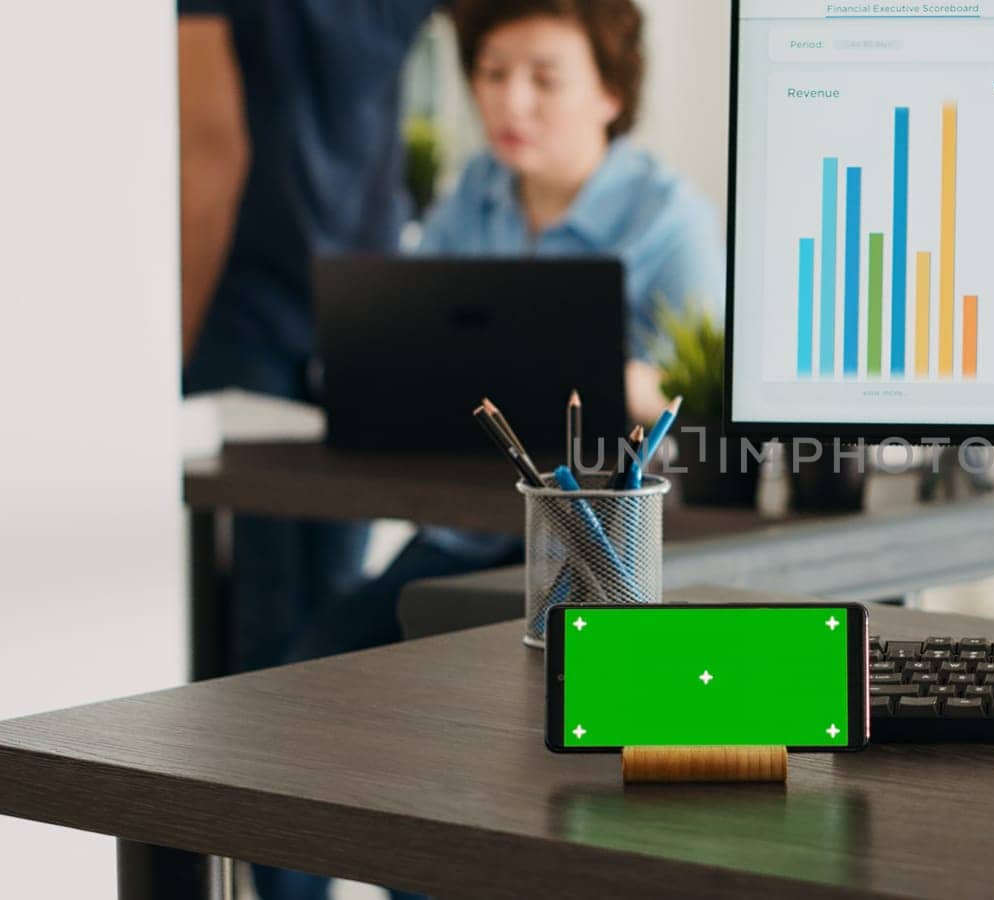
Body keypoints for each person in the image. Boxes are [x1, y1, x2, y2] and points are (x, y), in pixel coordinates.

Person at [286, 0, 723, 660]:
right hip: (469, 528)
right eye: (492, 73)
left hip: (607, 551)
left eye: (544, 80)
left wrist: (612, 378)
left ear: (610, 91)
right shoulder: (474, 192)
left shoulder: (671, 220)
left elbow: (705, 395)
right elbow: (408, 341)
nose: (510, 101)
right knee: (322, 658)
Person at [177, 2, 441, 898]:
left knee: (274, 654)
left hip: (255, 316)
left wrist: (160, 355)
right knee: (316, 652)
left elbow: (207, 151)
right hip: (359, 307)